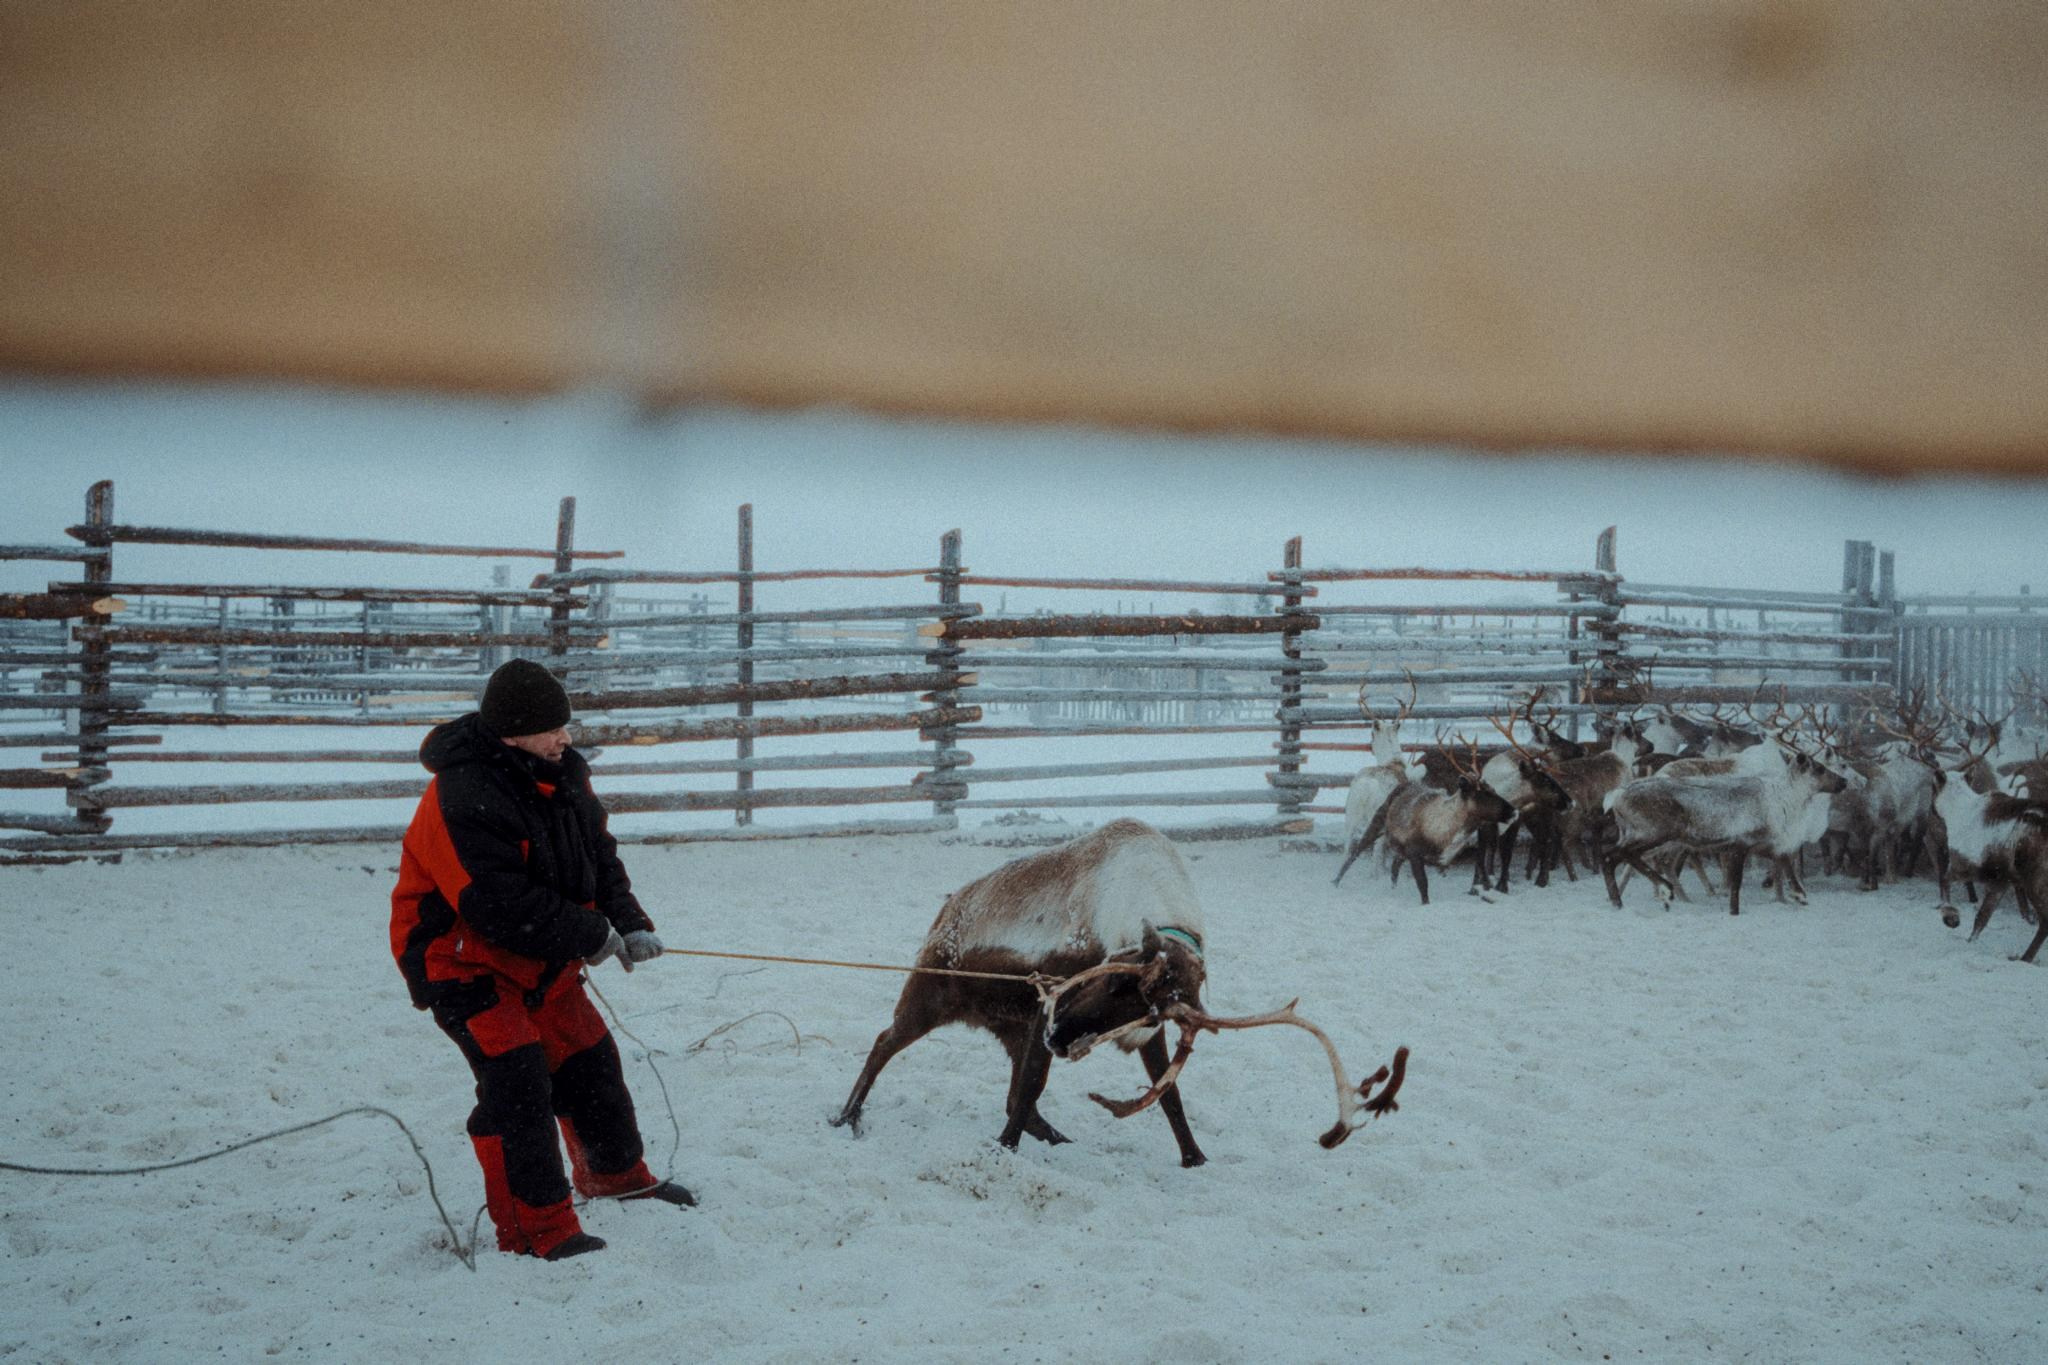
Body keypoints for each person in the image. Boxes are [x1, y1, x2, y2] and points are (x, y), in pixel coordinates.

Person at [390, 657, 693, 1260]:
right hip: (462, 964)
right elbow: (494, 903)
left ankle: (613, 1176)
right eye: (553, 728)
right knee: (518, 1082)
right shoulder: (463, 791)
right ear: (512, 733)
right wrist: (588, 934)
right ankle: (534, 1231)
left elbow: (599, 856)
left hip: (541, 959)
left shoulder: (565, 774)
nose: (566, 738)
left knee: (590, 1060)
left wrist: (629, 923)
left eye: (567, 725)